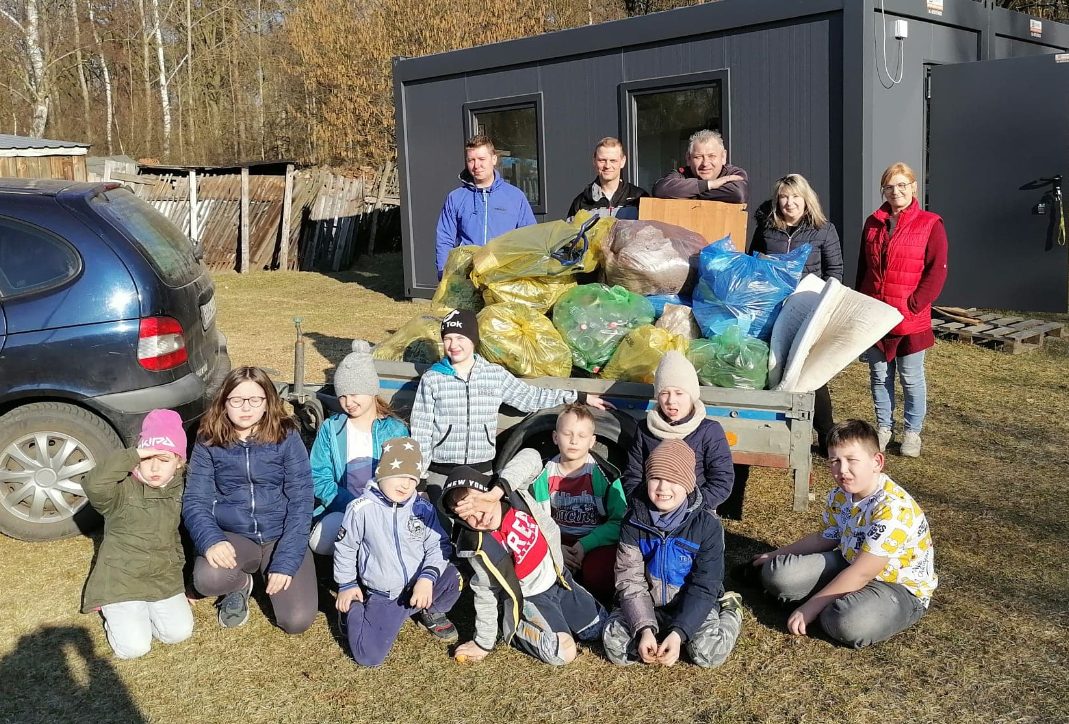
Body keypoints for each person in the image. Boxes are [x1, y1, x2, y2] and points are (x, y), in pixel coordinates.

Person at [751, 420, 937, 648]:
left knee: (846, 621)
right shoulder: (840, 494)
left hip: (895, 586)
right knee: (778, 575)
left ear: (877, 462)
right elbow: (825, 538)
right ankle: (836, 599)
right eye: (835, 461)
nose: (842, 470)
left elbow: (862, 573)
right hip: (849, 561)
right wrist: (774, 554)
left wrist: (810, 607)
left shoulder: (894, 510)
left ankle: (836, 606)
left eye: (851, 460)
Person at [409, 308, 610, 512]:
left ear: (473, 339)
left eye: (460, 337)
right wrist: (421, 481)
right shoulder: (433, 378)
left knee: (477, 533)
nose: (453, 345)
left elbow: (531, 397)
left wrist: (577, 396)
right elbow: (421, 431)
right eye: (448, 339)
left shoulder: (493, 375)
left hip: (481, 472)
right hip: (441, 473)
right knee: (440, 532)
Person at [184, 366, 317, 634]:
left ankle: (272, 571)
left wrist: (286, 561)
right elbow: (195, 500)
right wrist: (211, 540)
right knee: (206, 579)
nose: (246, 407)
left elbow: (301, 501)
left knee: (296, 621)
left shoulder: (287, 435)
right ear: (224, 403)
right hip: (234, 535)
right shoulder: (208, 438)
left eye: (255, 399)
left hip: (279, 535)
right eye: (236, 400)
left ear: (267, 402)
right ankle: (240, 584)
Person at [452, 404, 626, 605]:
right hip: (553, 540)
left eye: (581, 435)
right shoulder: (541, 475)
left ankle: (600, 601)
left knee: (600, 573)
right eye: (567, 433)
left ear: (592, 441)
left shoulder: (608, 476)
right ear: (555, 437)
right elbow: (531, 518)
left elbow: (618, 522)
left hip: (592, 541)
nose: (574, 440)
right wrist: (556, 547)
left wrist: (584, 545)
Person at [441, 458, 607, 666]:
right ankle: (517, 627)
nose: (479, 517)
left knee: (598, 628)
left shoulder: (513, 494)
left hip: (560, 580)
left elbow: (532, 458)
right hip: (532, 598)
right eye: (468, 515)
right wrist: (483, 643)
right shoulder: (479, 545)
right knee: (564, 652)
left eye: (480, 504)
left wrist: (495, 493)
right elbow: (485, 592)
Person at [603, 440, 743, 667]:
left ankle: (731, 610)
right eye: (656, 478)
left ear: (688, 484)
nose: (662, 488)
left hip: (691, 603)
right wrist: (644, 628)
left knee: (708, 655)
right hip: (648, 603)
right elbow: (629, 579)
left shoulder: (707, 526)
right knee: (616, 647)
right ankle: (652, 628)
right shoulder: (632, 522)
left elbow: (705, 584)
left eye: (673, 480)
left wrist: (680, 632)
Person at [333, 437, 462, 666]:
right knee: (368, 657)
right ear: (382, 473)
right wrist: (347, 585)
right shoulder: (361, 509)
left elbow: (438, 544)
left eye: (412, 479)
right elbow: (345, 548)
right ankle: (354, 610)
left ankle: (427, 610)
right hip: (386, 594)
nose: (406, 485)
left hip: (419, 584)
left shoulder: (422, 508)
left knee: (455, 577)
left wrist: (426, 578)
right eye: (399, 476)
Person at [81, 409, 193, 659]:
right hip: (122, 579)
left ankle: (142, 611)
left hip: (163, 577)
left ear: (179, 462)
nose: (154, 467)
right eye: (147, 458)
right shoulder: (120, 490)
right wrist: (135, 454)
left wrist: (182, 580)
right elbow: (92, 484)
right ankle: (114, 608)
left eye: (163, 460)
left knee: (179, 632)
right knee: (134, 649)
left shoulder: (181, 489)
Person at [856, 162, 948, 457]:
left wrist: (915, 304)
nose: (896, 192)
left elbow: (936, 272)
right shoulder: (873, 222)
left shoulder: (930, 224)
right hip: (877, 315)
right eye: (889, 187)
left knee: (911, 377)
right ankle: (884, 428)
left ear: (913, 188)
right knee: (879, 375)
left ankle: (912, 433)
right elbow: (863, 268)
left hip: (910, 317)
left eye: (902, 186)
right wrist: (861, 304)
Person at [750, 173, 844, 456]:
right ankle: (776, 432)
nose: (789, 203)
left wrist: (824, 306)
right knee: (772, 365)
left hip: (807, 307)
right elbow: (752, 261)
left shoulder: (823, 229)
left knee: (808, 370)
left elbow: (835, 272)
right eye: (783, 197)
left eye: (795, 197)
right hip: (772, 307)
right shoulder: (767, 228)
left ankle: (826, 434)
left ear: (806, 200)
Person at [307, 340, 409, 555]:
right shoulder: (332, 428)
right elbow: (318, 473)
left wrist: (379, 507)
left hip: (384, 508)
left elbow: (403, 475)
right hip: (344, 505)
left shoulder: (395, 430)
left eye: (354, 393)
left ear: (371, 390)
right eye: (342, 395)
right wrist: (349, 504)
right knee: (320, 541)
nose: (348, 401)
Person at [620, 351, 734, 512]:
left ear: (692, 395)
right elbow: (633, 475)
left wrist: (692, 507)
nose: (671, 400)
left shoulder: (709, 431)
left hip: (696, 512)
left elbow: (722, 480)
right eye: (664, 393)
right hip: (652, 510)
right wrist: (644, 506)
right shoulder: (644, 429)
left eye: (679, 393)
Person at [434, 134, 536, 278]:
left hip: (505, 277)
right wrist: (443, 274)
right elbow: (445, 239)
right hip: (466, 277)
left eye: (482, 159)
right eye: (471, 160)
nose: (476, 165)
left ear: (493, 159)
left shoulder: (515, 197)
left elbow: (530, 237)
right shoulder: (455, 198)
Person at [652, 129, 749, 204]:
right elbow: (660, 190)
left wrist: (689, 194)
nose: (705, 163)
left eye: (711, 156)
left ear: (723, 157)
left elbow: (738, 194)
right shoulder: (681, 174)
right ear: (688, 159)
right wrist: (709, 185)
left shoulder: (733, 174)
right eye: (698, 157)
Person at [566, 137, 648, 219]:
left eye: (613, 160)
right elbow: (570, 231)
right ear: (594, 161)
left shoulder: (639, 198)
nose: (607, 166)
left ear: (623, 161)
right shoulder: (581, 202)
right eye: (602, 160)